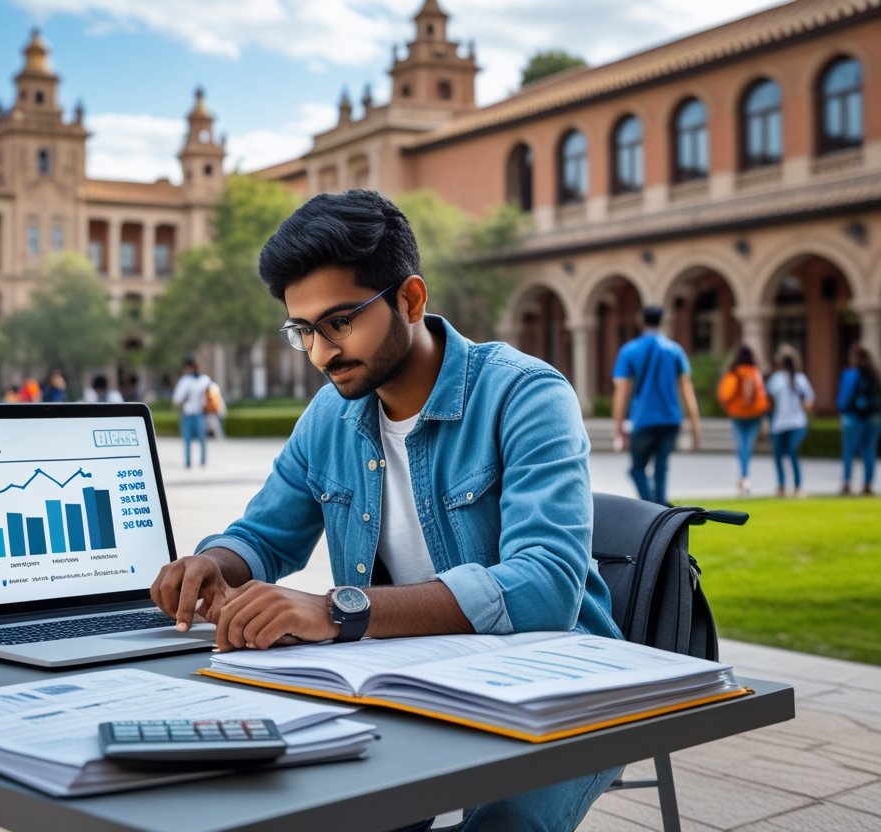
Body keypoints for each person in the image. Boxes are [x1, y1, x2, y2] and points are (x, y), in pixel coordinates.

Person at [149, 190, 621, 831]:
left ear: (410, 300)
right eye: (304, 331)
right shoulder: (330, 415)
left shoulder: (526, 394)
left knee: (504, 825)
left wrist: (337, 611)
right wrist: (213, 564)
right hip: (405, 677)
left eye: (340, 321)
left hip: (561, 681)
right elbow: (264, 535)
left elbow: (546, 587)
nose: (321, 353)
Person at [611, 306, 702, 506]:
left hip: (644, 419)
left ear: (640, 320)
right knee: (661, 468)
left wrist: (618, 426)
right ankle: (661, 506)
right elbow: (686, 388)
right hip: (671, 418)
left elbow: (621, 390)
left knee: (637, 469)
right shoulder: (675, 350)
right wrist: (695, 424)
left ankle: (651, 507)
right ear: (662, 321)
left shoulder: (630, 350)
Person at [716, 345, 770, 496]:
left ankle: (743, 477)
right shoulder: (755, 372)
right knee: (748, 445)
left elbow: (725, 394)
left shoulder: (733, 372)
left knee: (741, 446)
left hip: (737, 414)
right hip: (754, 415)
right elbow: (763, 395)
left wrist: (728, 406)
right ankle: (745, 477)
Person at [766, 345, 814, 498]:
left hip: (796, 422)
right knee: (779, 455)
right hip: (780, 423)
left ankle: (797, 486)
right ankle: (781, 486)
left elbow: (808, 400)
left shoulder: (799, 379)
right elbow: (770, 401)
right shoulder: (777, 379)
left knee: (792, 451)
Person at [836, 344, 880, 496]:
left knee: (849, 451)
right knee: (869, 451)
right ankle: (867, 484)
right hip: (873, 418)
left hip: (853, 418)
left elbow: (843, 399)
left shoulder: (851, 374)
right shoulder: (875, 375)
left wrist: (843, 411)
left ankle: (847, 482)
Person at [171, 358, 212, 467]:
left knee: (202, 440)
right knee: (187, 440)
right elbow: (177, 399)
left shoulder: (205, 380)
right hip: (188, 415)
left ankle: (203, 462)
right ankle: (188, 462)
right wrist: (184, 398)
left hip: (200, 414)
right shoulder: (185, 381)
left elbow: (211, 396)